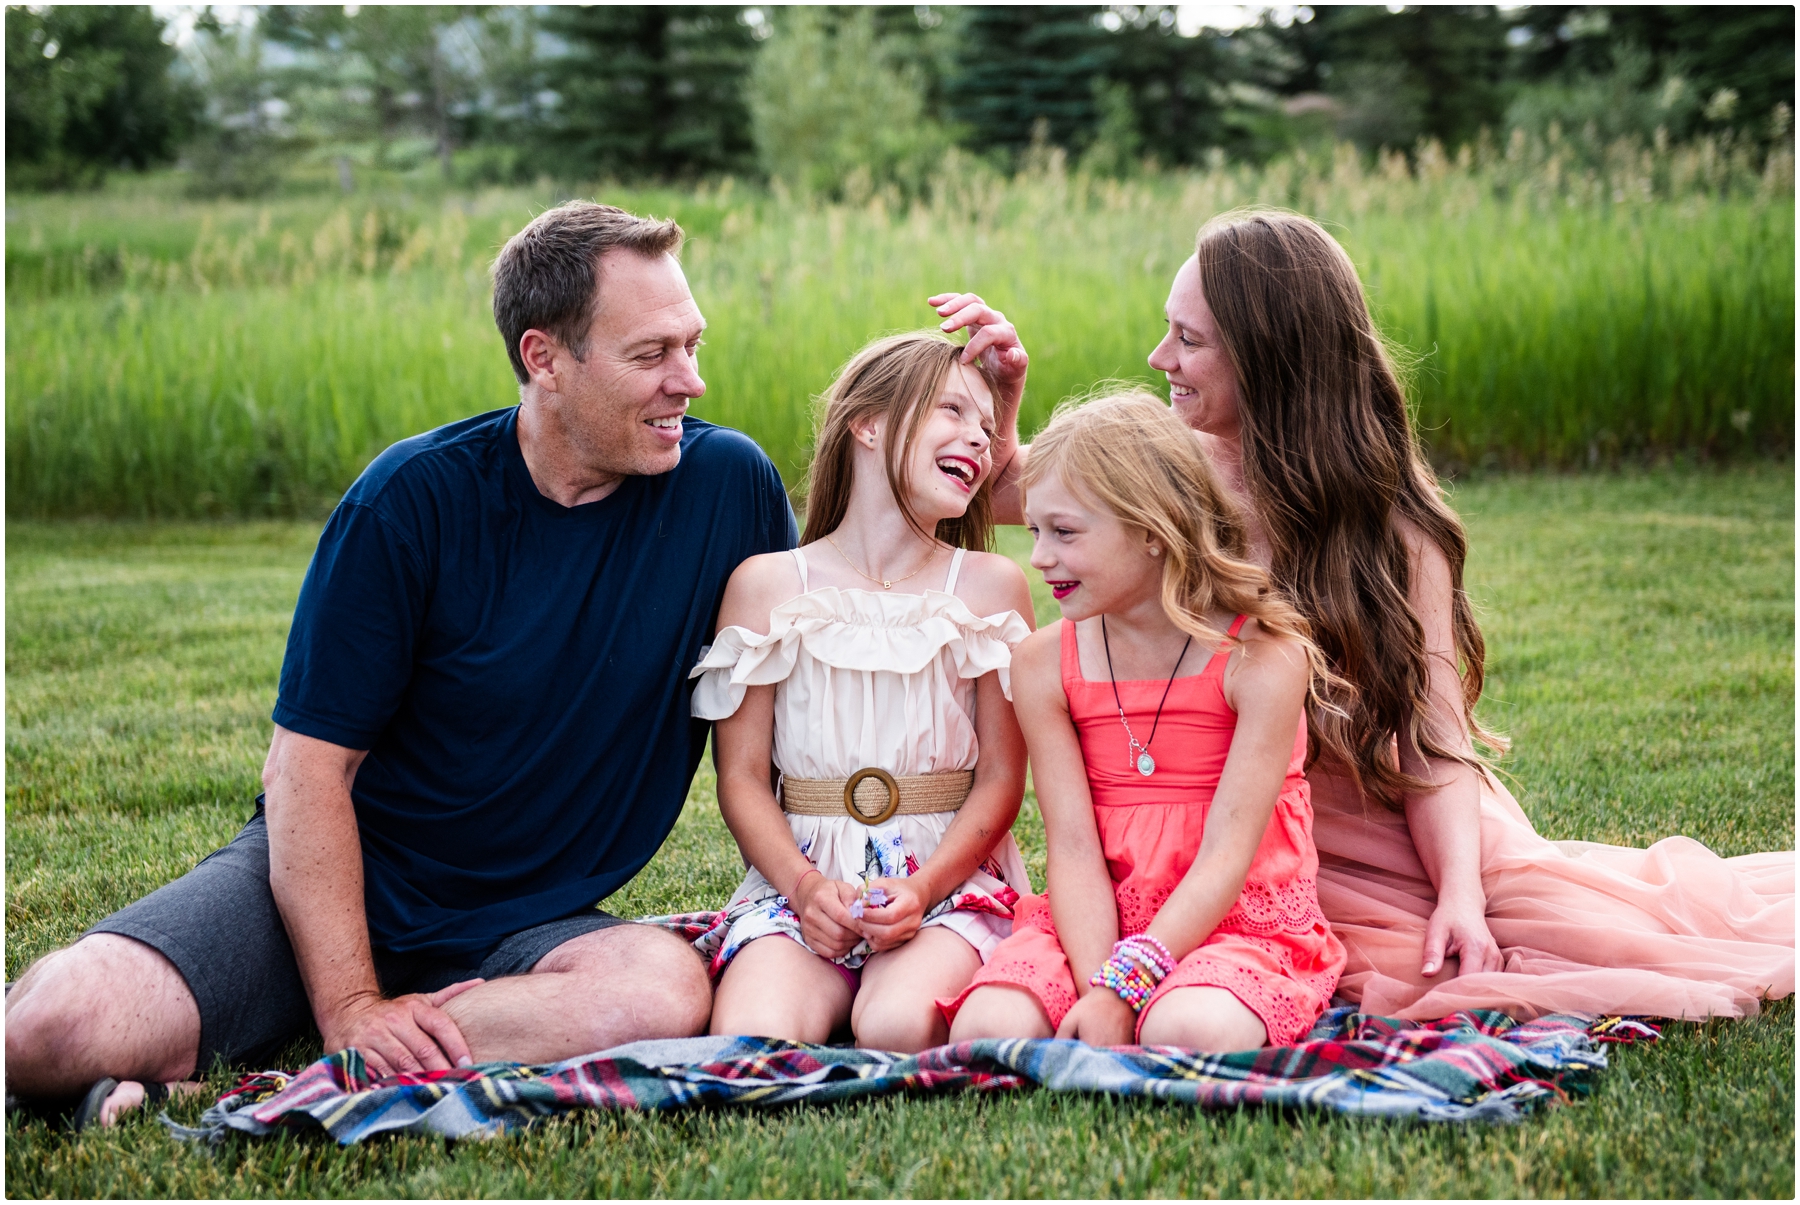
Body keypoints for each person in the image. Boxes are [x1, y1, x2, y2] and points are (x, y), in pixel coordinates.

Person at [4, 201, 798, 1127]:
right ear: (544, 358)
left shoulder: (726, 487)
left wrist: (985, 412)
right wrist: (348, 1001)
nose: (690, 381)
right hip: (332, 883)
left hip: (523, 928)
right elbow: (306, 769)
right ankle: (324, 1034)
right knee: (48, 1032)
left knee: (660, 989)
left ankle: (279, 1063)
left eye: (692, 344)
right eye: (651, 354)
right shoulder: (408, 503)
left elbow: (873, 583)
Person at [938, 208, 1793, 1023]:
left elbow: (1434, 735)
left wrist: (1459, 890)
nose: (1158, 355)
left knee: (1507, 940)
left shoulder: (1392, 526)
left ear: (1268, 359)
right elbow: (1027, 499)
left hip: (1374, 821)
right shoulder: (1175, 475)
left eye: (1189, 339)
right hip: (1216, 819)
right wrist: (1006, 394)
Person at [943, 393, 1345, 1049]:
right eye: (1035, 531)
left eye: (1065, 532)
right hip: (1096, 915)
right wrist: (1100, 978)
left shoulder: (1262, 660)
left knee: (1183, 1027)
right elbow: (1072, 847)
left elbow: (1227, 855)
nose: (1040, 557)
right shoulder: (1043, 664)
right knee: (988, 1029)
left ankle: (1167, 999)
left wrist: (1124, 987)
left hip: (1235, 917)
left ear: (1152, 530)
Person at [691, 331, 1036, 1052]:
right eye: (952, 411)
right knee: (753, 1033)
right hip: (804, 881)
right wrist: (807, 890)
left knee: (896, 1024)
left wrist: (924, 888)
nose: (978, 439)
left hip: (946, 877)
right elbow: (745, 779)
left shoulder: (986, 586)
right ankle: (814, 956)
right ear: (868, 422)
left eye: (986, 425)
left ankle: (901, 973)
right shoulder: (767, 585)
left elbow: (1003, 777)